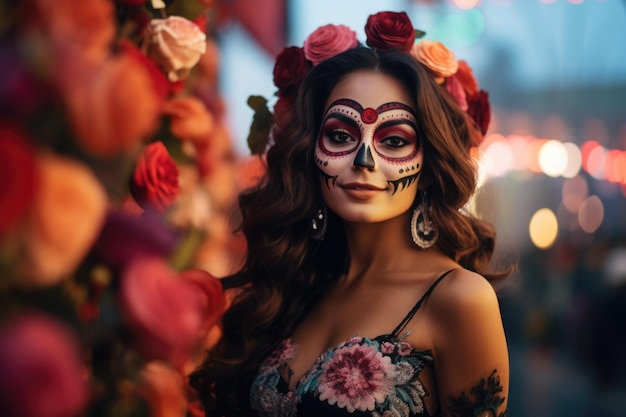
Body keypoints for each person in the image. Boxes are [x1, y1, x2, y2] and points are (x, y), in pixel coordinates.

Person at [190, 11, 510, 417]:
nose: (364, 159)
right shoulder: (296, 286)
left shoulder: (460, 299)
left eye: (394, 140)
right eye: (340, 135)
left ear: (429, 167)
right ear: (311, 151)